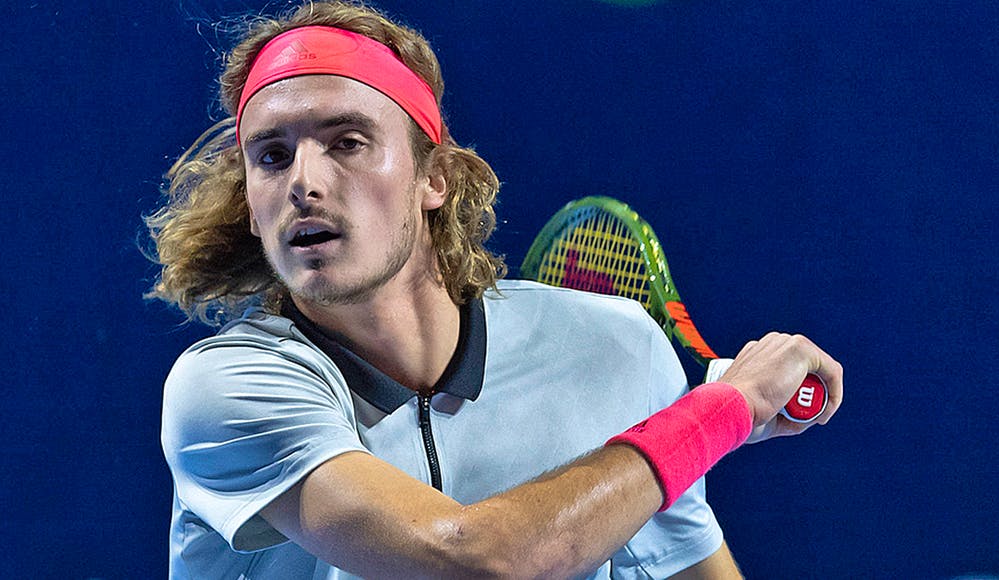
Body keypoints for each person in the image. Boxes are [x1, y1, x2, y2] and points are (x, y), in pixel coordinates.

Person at [145, 2, 844, 578]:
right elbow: (474, 561)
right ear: (251, 204)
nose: (304, 181)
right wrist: (725, 410)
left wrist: (705, 417)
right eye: (272, 156)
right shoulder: (228, 390)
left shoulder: (614, 349)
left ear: (434, 178)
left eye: (347, 142)